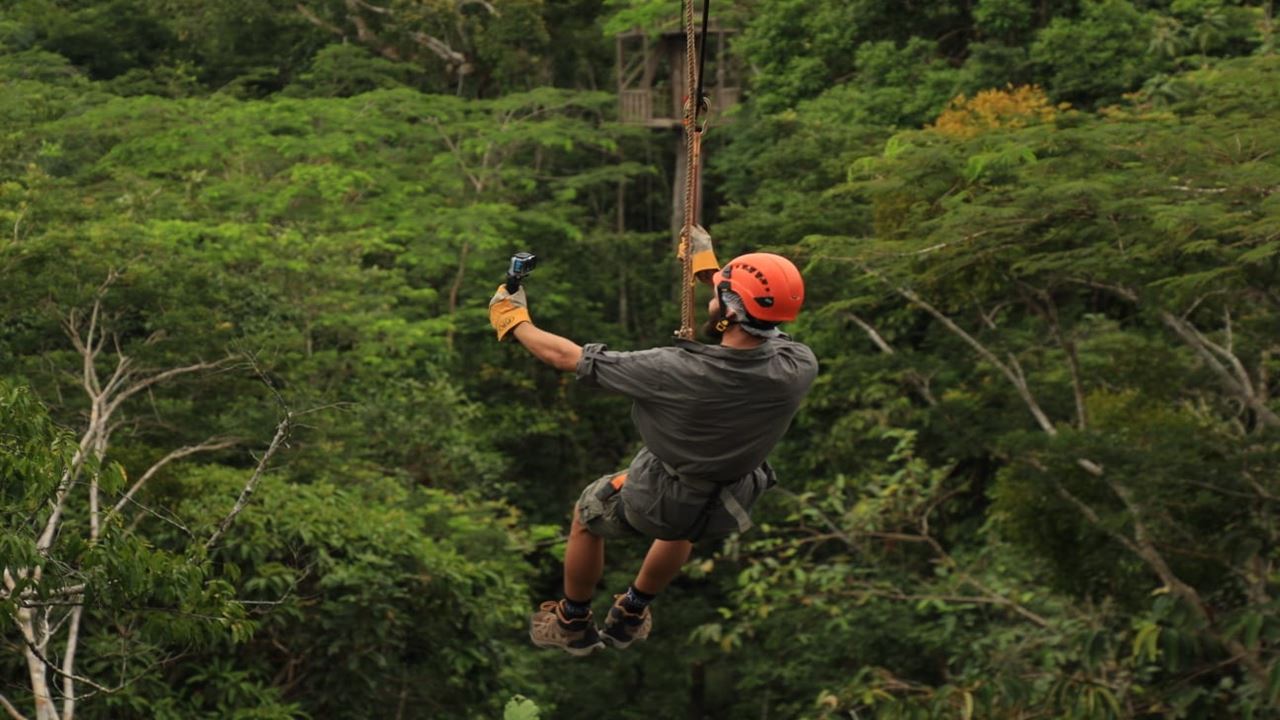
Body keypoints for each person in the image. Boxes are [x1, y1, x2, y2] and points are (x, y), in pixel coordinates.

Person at [487, 227, 817, 656]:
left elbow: (564, 357)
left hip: (662, 494)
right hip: (730, 499)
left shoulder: (673, 370)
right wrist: (709, 270)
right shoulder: (798, 366)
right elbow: (751, 323)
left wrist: (514, 319)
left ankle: (572, 620)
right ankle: (632, 610)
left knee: (589, 512)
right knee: (683, 526)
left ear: (730, 311)